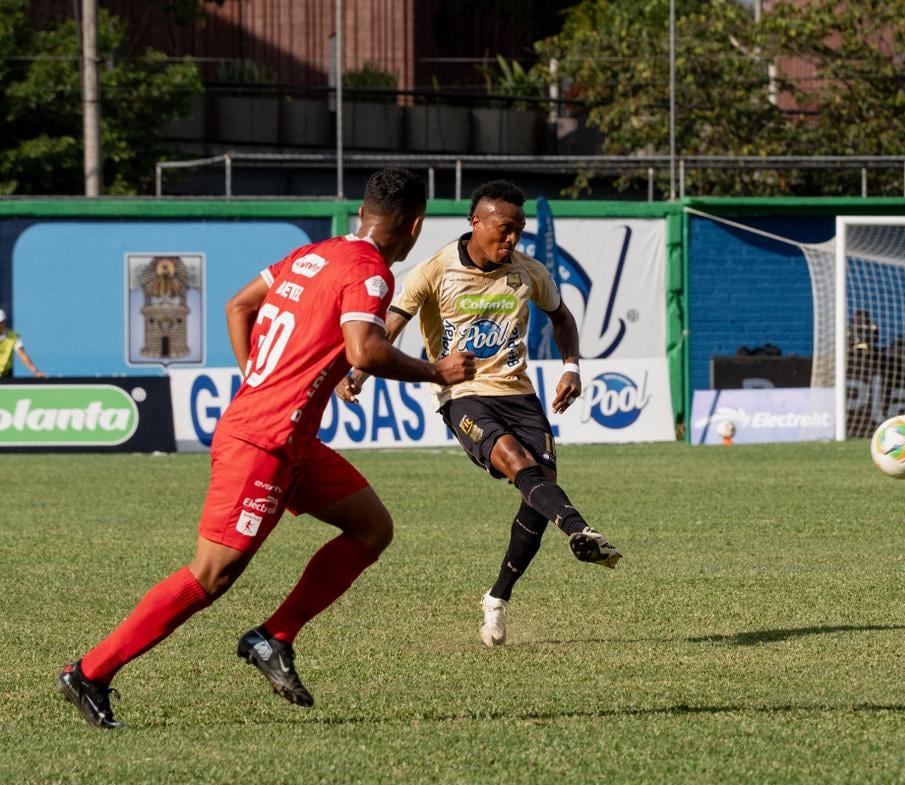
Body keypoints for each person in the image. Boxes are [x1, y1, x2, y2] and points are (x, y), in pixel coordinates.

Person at [57, 168, 476, 729]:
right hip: (263, 442)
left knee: (372, 528)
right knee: (212, 574)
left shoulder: (312, 255)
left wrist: (256, 378)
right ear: (416, 225)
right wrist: (436, 370)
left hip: (290, 437)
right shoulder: (370, 271)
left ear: (362, 212)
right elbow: (365, 352)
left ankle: (273, 636)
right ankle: (89, 673)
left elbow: (239, 305)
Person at [339, 179, 620, 649]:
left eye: (519, 230)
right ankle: (579, 529)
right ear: (476, 223)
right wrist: (359, 373)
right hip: (463, 394)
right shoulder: (435, 269)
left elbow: (562, 316)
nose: (512, 238)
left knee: (539, 488)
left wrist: (571, 367)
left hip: (520, 394)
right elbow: (389, 326)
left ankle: (497, 597)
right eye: (504, 228)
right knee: (517, 462)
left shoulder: (529, 272)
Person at [0, 308, 46, 378]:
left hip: (6, 376)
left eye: (1, 322)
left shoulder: (13, 337)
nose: (0, 325)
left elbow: (22, 354)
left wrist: (36, 372)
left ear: (4, 322)